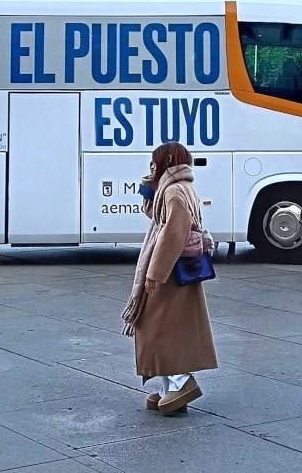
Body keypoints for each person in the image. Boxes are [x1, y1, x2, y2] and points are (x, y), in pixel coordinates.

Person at [121, 141, 217, 415]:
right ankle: (169, 389)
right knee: (166, 329)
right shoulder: (176, 186)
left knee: (162, 330)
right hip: (176, 272)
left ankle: (181, 382)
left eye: (155, 162)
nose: (151, 166)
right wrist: (149, 183)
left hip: (171, 274)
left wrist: (155, 273)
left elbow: (172, 233)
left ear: (168, 160)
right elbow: (153, 213)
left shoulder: (175, 191)